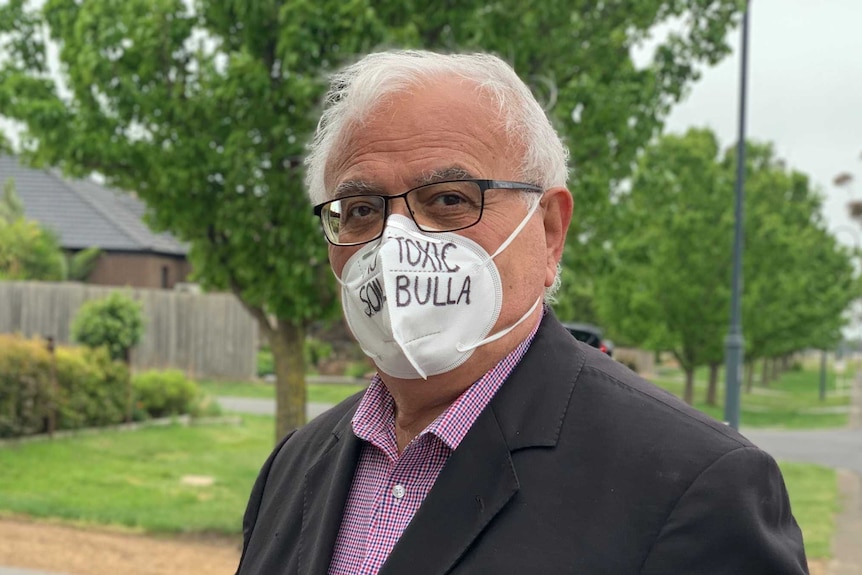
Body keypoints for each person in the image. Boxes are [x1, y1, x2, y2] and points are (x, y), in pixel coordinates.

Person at [235, 50, 809, 575]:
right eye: (360, 209)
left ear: (550, 231)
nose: (395, 245)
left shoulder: (695, 487)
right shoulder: (295, 465)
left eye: (449, 200)